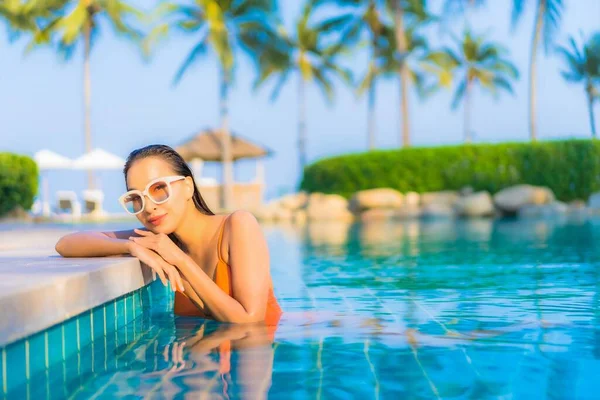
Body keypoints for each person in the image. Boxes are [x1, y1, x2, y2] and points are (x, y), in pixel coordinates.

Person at [55, 144, 282, 325]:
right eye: (136, 198)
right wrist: (132, 246)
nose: (149, 206)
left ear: (187, 187)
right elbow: (66, 244)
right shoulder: (159, 240)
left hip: (258, 357)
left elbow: (250, 320)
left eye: (158, 188)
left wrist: (180, 260)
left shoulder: (238, 225)